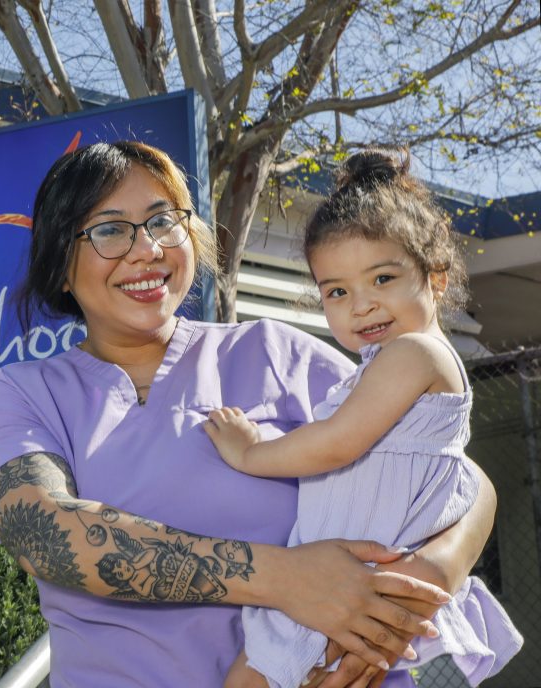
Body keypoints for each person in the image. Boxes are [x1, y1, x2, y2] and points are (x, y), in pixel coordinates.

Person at [0, 140, 497, 687]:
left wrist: (413, 590)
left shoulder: (277, 353)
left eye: (161, 220)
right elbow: (43, 533)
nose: (146, 249)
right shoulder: (25, 393)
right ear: (60, 264)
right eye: (108, 229)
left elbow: (453, 469)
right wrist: (286, 579)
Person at [203, 149, 522, 688]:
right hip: (341, 583)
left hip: (349, 587)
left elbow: (336, 444)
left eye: (382, 279)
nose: (362, 306)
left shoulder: (414, 355)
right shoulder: (379, 368)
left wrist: (250, 451)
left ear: (436, 277)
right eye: (338, 292)